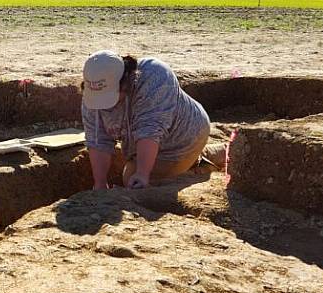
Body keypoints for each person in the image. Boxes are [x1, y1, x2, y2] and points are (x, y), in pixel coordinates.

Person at [81, 50, 220, 190]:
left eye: (109, 98)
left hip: (185, 137)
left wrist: (142, 174)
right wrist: (99, 183)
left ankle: (197, 169)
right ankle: (205, 157)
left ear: (125, 83)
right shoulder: (92, 95)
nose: (103, 106)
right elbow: (98, 139)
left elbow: (149, 130)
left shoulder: (155, 77)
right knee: (133, 173)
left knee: (130, 177)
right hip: (144, 143)